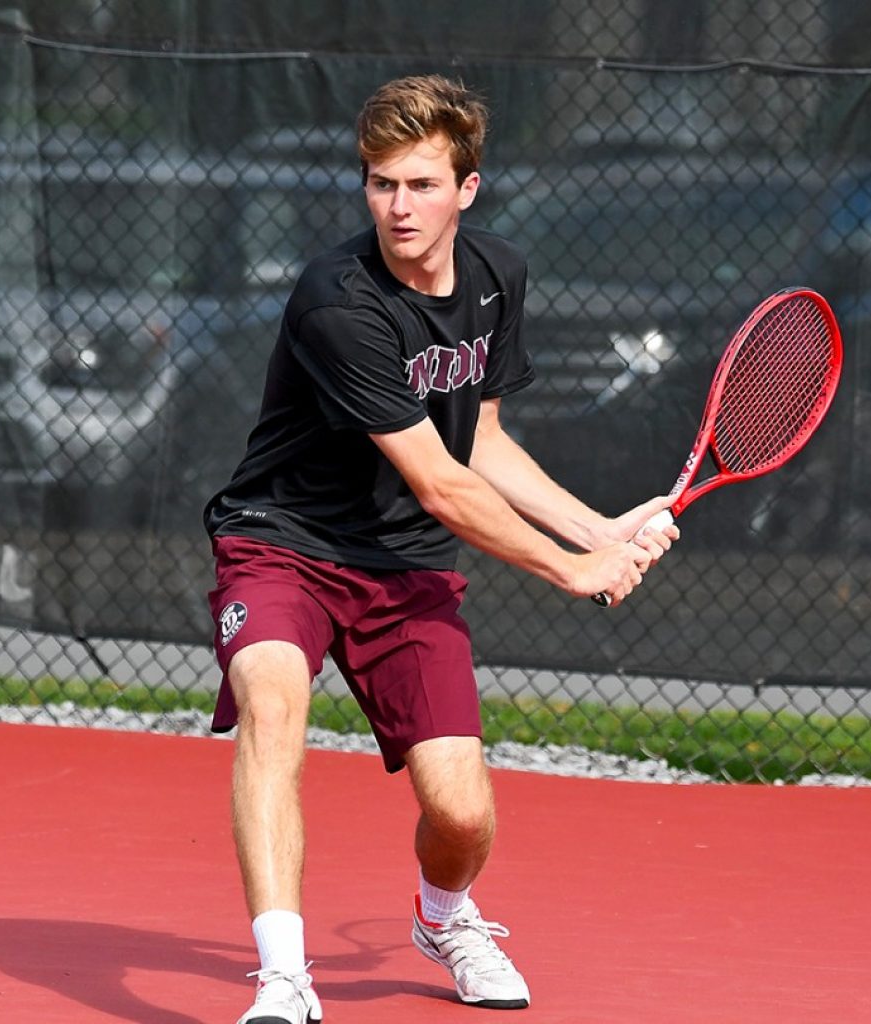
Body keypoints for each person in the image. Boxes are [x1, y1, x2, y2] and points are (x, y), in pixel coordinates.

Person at [203, 74, 679, 1024]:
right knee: (272, 708)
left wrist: (599, 526)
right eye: (381, 184)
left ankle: (444, 915)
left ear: (468, 188)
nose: (398, 206)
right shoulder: (338, 300)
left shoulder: (498, 277)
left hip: (404, 567)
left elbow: (483, 441)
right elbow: (442, 480)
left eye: (421, 184)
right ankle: (285, 978)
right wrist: (574, 569)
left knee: (460, 815)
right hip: (282, 542)